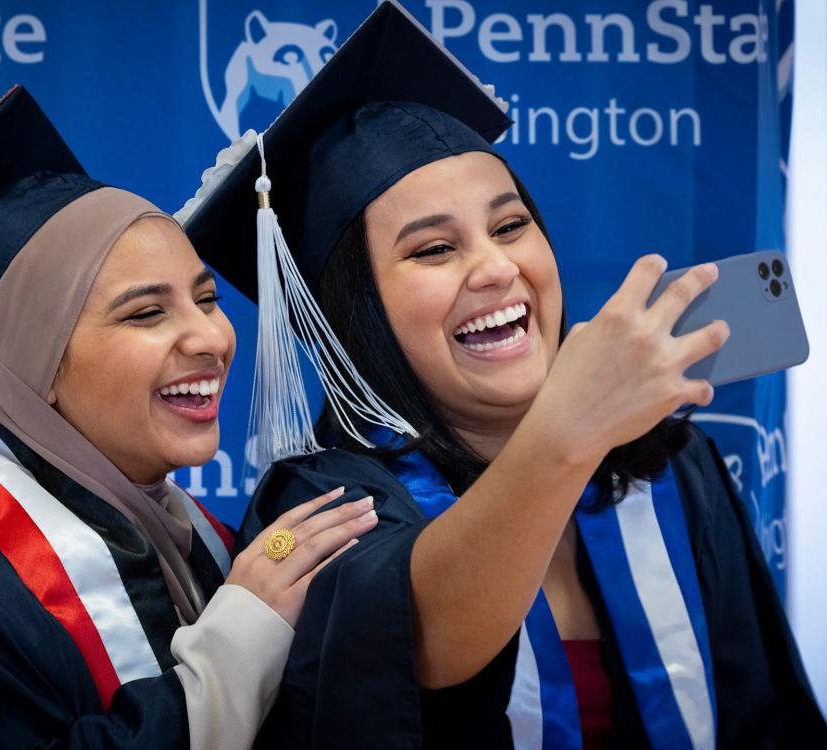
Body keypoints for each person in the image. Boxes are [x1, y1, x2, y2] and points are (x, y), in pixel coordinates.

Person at [183, 3, 827, 748]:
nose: (497, 268)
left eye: (511, 225)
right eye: (432, 250)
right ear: (352, 310)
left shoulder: (673, 470)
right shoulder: (325, 505)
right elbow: (420, 634)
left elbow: (767, 720)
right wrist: (570, 427)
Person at [0, 86, 377, 749]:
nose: (210, 338)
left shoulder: (217, 547)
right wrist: (227, 661)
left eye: (207, 298)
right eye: (146, 313)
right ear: (34, 367)